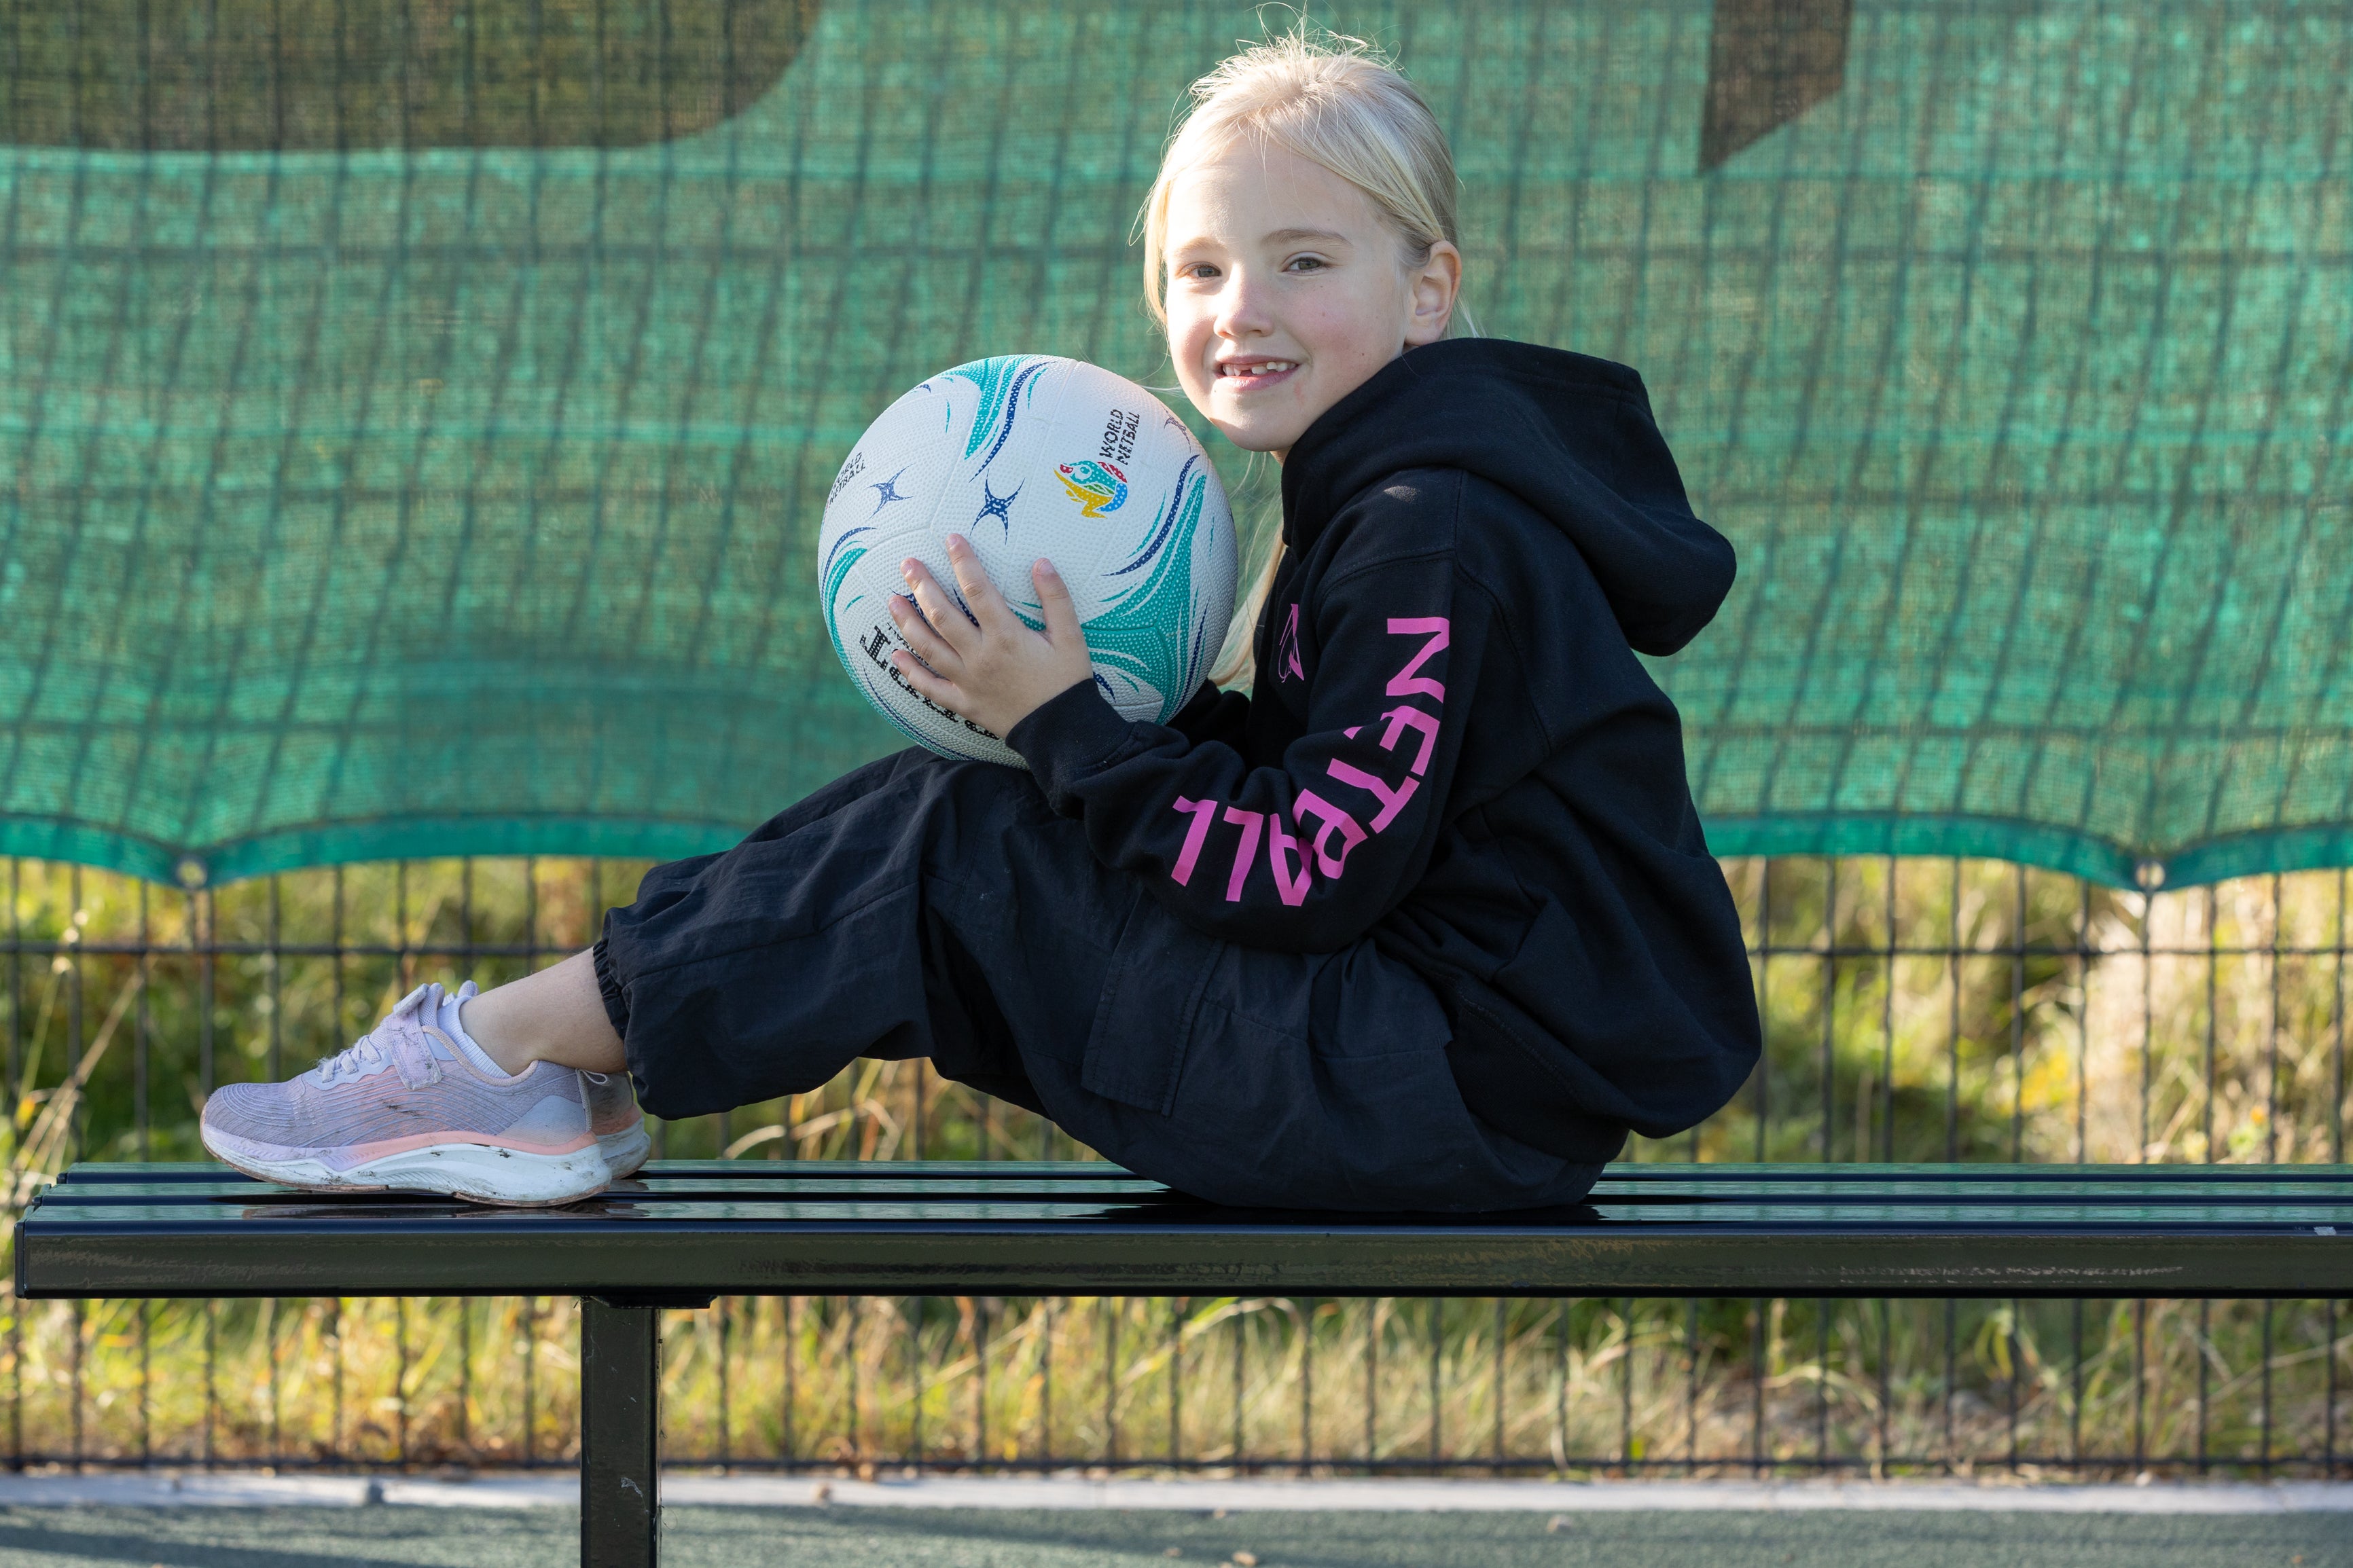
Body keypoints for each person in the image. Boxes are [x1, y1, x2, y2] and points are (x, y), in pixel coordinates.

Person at [200, 29, 1761, 1210]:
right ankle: (543, 1066)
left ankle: (499, 1059)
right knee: (956, 814)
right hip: (1422, 1071)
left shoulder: (1436, 531)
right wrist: (1086, 723)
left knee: (949, 845)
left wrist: (1069, 725)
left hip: (1434, 1091)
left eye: (1303, 261)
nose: (1243, 309)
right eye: (1202, 267)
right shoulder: (1389, 498)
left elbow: (1311, 870)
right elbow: (1334, 818)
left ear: (1426, 288)